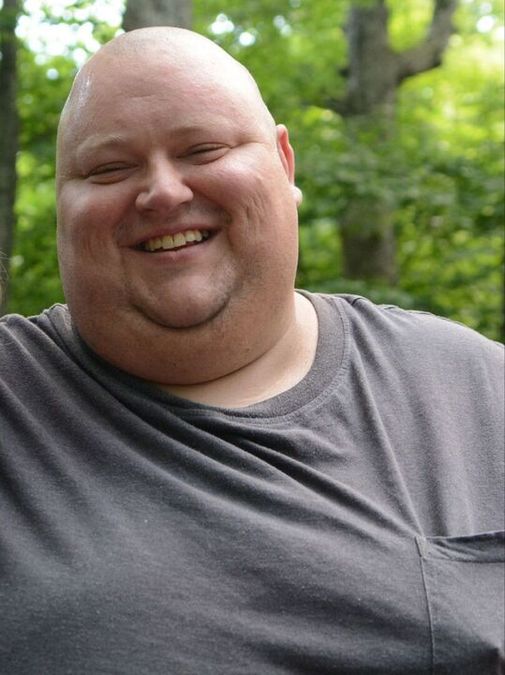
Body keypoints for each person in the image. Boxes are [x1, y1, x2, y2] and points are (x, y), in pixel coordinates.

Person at [0, 26, 503, 675]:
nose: (163, 191)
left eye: (203, 149)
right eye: (108, 169)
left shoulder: (476, 389)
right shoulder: (15, 401)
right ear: (62, 206)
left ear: (284, 164)